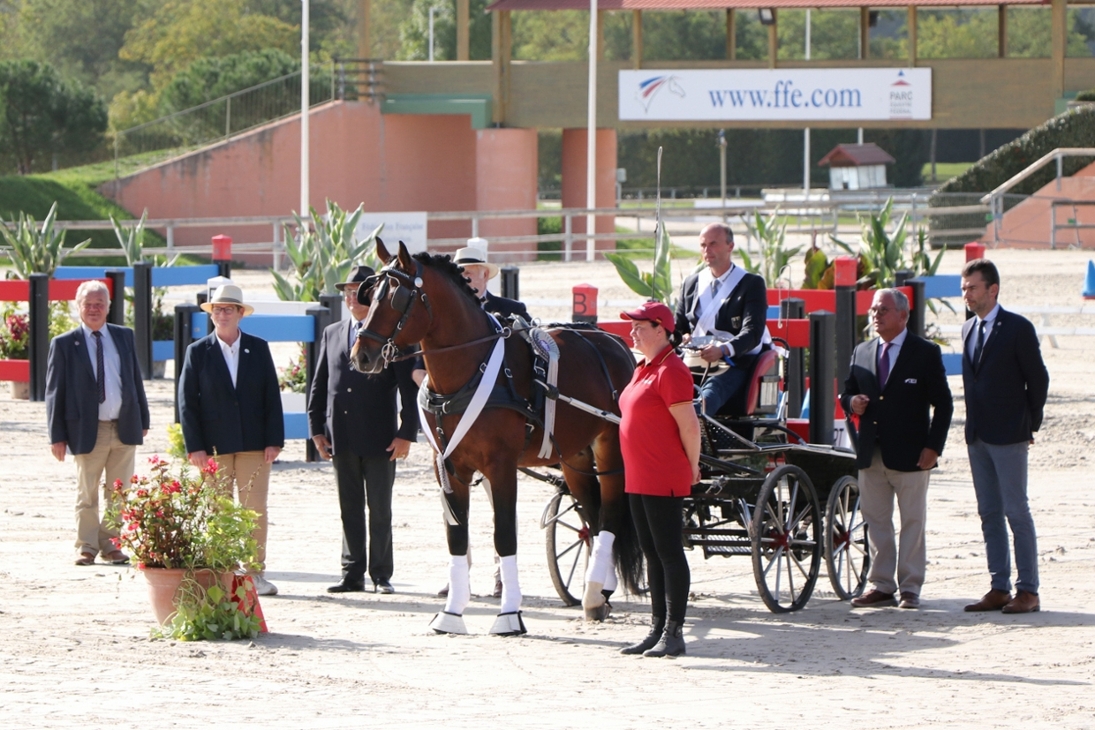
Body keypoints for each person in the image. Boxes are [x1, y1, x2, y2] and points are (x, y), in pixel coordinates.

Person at [309, 265, 420, 595]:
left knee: (380, 508)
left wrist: (406, 433)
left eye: (357, 291)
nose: (350, 297)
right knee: (349, 508)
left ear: (372, 295)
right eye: (346, 292)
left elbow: (409, 392)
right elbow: (319, 386)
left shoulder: (393, 338)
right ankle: (352, 572)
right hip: (340, 435)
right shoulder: (332, 333)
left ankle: (381, 573)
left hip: (381, 437)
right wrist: (317, 429)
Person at [841, 288, 953, 610]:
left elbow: (943, 404)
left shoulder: (924, 352)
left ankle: (910, 587)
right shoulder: (862, 351)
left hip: (912, 455)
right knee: (876, 522)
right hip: (870, 453)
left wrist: (934, 447)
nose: (876, 315)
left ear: (903, 316)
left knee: (912, 522)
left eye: (884, 310)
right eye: (874, 309)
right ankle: (881, 585)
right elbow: (846, 392)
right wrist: (853, 403)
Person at [178, 283, 284, 596]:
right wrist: (194, 446)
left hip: (254, 444)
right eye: (217, 310)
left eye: (228, 309)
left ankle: (253, 573)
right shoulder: (197, 352)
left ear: (240, 313)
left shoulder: (259, 347)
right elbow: (187, 402)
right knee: (219, 510)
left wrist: (273, 440)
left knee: (254, 510)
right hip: (213, 447)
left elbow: (271, 397)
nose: (222, 314)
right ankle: (222, 571)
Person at [960, 259, 1049, 614]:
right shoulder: (968, 328)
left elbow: (1038, 379)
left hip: (1009, 434)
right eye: (964, 288)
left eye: (972, 287)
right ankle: (999, 586)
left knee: (1016, 511)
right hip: (978, 435)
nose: (966, 294)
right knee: (989, 512)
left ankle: (1028, 590)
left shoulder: (1017, 328)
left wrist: (1029, 423)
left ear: (992, 289)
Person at [617, 301, 701, 657]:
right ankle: (657, 627)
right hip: (637, 474)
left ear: (660, 329)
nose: (632, 332)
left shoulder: (672, 371)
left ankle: (675, 630)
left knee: (668, 553)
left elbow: (689, 426)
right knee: (651, 553)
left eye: (639, 326)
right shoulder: (643, 368)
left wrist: (692, 466)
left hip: (663, 472)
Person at [46, 280, 150, 566]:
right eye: (88, 304)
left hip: (125, 425)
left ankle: (111, 544)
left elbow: (134, 380)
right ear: (78, 307)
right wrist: (57, 436)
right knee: (87, 492)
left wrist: (144, 416)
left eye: (99, 304)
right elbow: (54, 392)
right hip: (87, 429)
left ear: (108, 307)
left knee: (120, 492)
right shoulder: (64, 344)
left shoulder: (124, 337)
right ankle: (87, 547)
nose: (94, 309)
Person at [673, 223, 771, 415]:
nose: (707, 250)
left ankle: (694, 423)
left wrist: (723, 350)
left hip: (734, 361)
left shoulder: (751, 284)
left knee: (709, 395)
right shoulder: (691, 283)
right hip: (694, 359)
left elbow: (752, 332)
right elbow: (678, 327)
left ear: (730, 246)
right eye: (703, 245)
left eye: (713, 244)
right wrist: (682, 337)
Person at [453, 239, 530, 321]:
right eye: (457, 274)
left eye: (467, 273)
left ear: (485, 275)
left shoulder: (512, 309)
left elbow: (535, 332)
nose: (461, 278)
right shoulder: (447, 311)